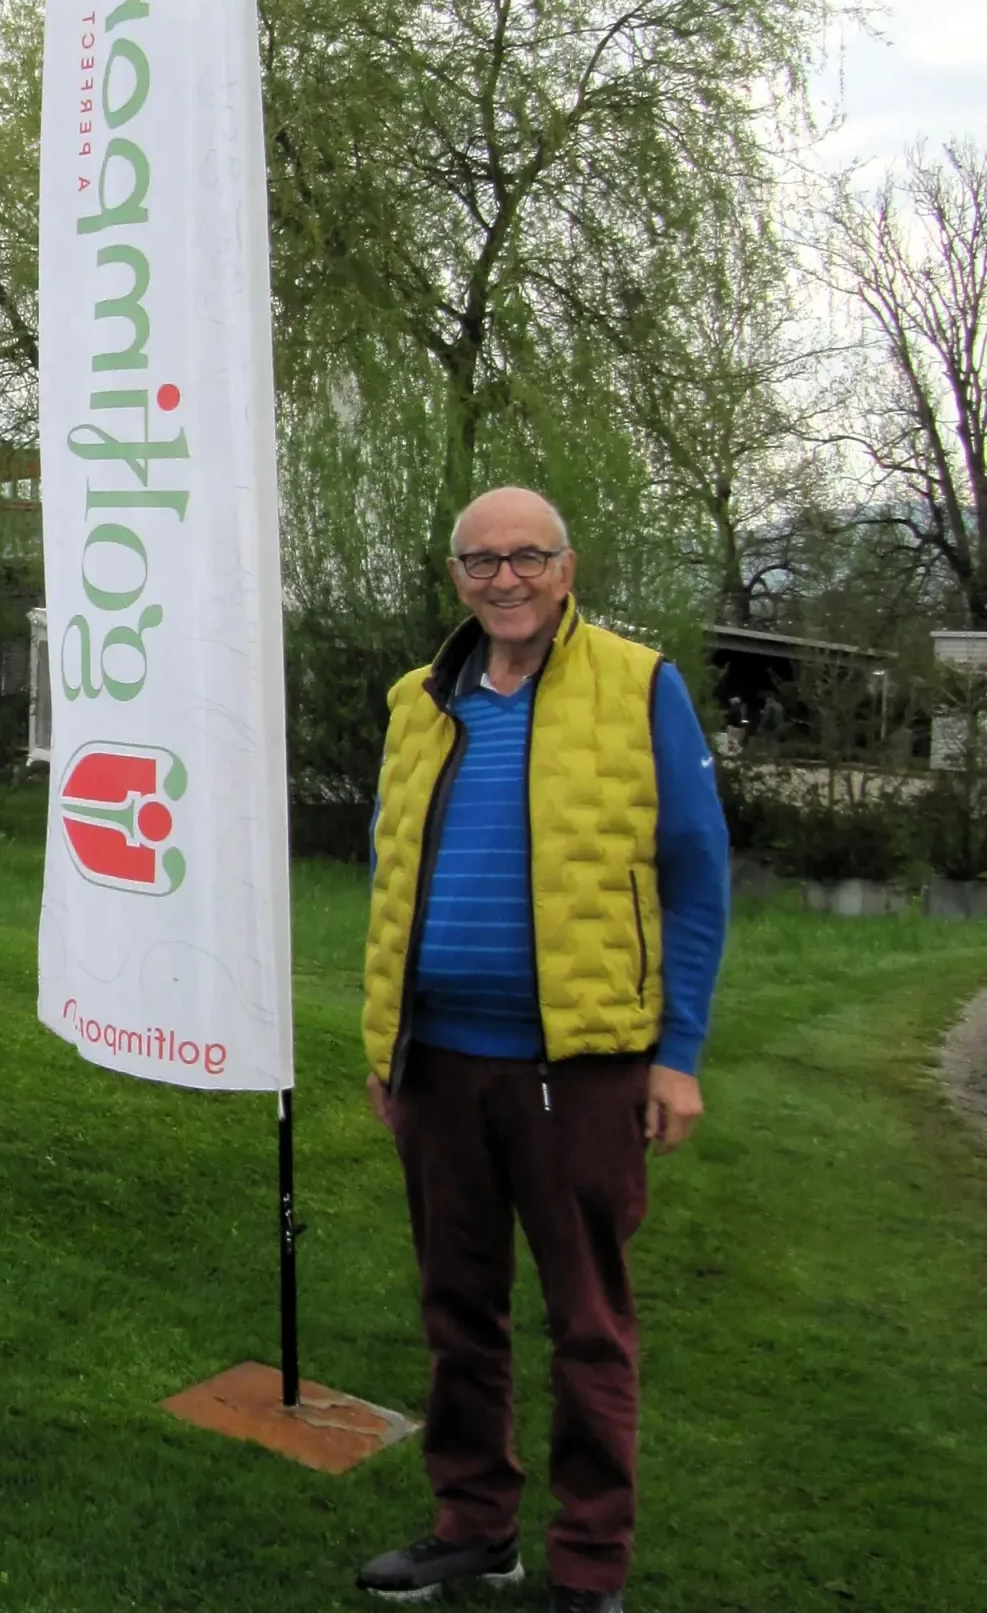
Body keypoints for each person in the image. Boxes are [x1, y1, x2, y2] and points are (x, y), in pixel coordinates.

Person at [356, 488, 729, 1613]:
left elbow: (698, 873)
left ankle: (588, 1563)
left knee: (587, 1324)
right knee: (457, 1310)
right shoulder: (417, 701)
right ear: (456, 577)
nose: (504, 578)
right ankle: (474, 1527)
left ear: (565, 569)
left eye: (527, 556)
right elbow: (388, 876)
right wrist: (386, 1045)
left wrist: (678, 1052)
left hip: (583, 1066)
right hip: (439, 1062)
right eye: (481, 560)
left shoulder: (639, 684)